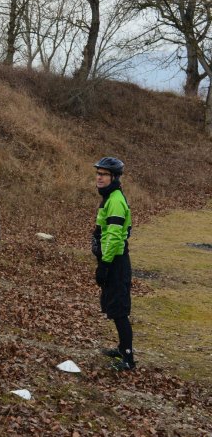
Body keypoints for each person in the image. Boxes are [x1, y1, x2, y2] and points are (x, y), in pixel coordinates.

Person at [91, 157, 135, 371]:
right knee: (114, 306)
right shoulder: (110, 197)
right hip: (112, 261)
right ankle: (121, 348)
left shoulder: (115, 200)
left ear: (114, 177)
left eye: (104, 174)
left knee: (119, 310)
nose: (99, 177)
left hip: (116, 262)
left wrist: (105, 265)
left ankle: (128, 358)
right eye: (98, 173)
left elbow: (115, 236)